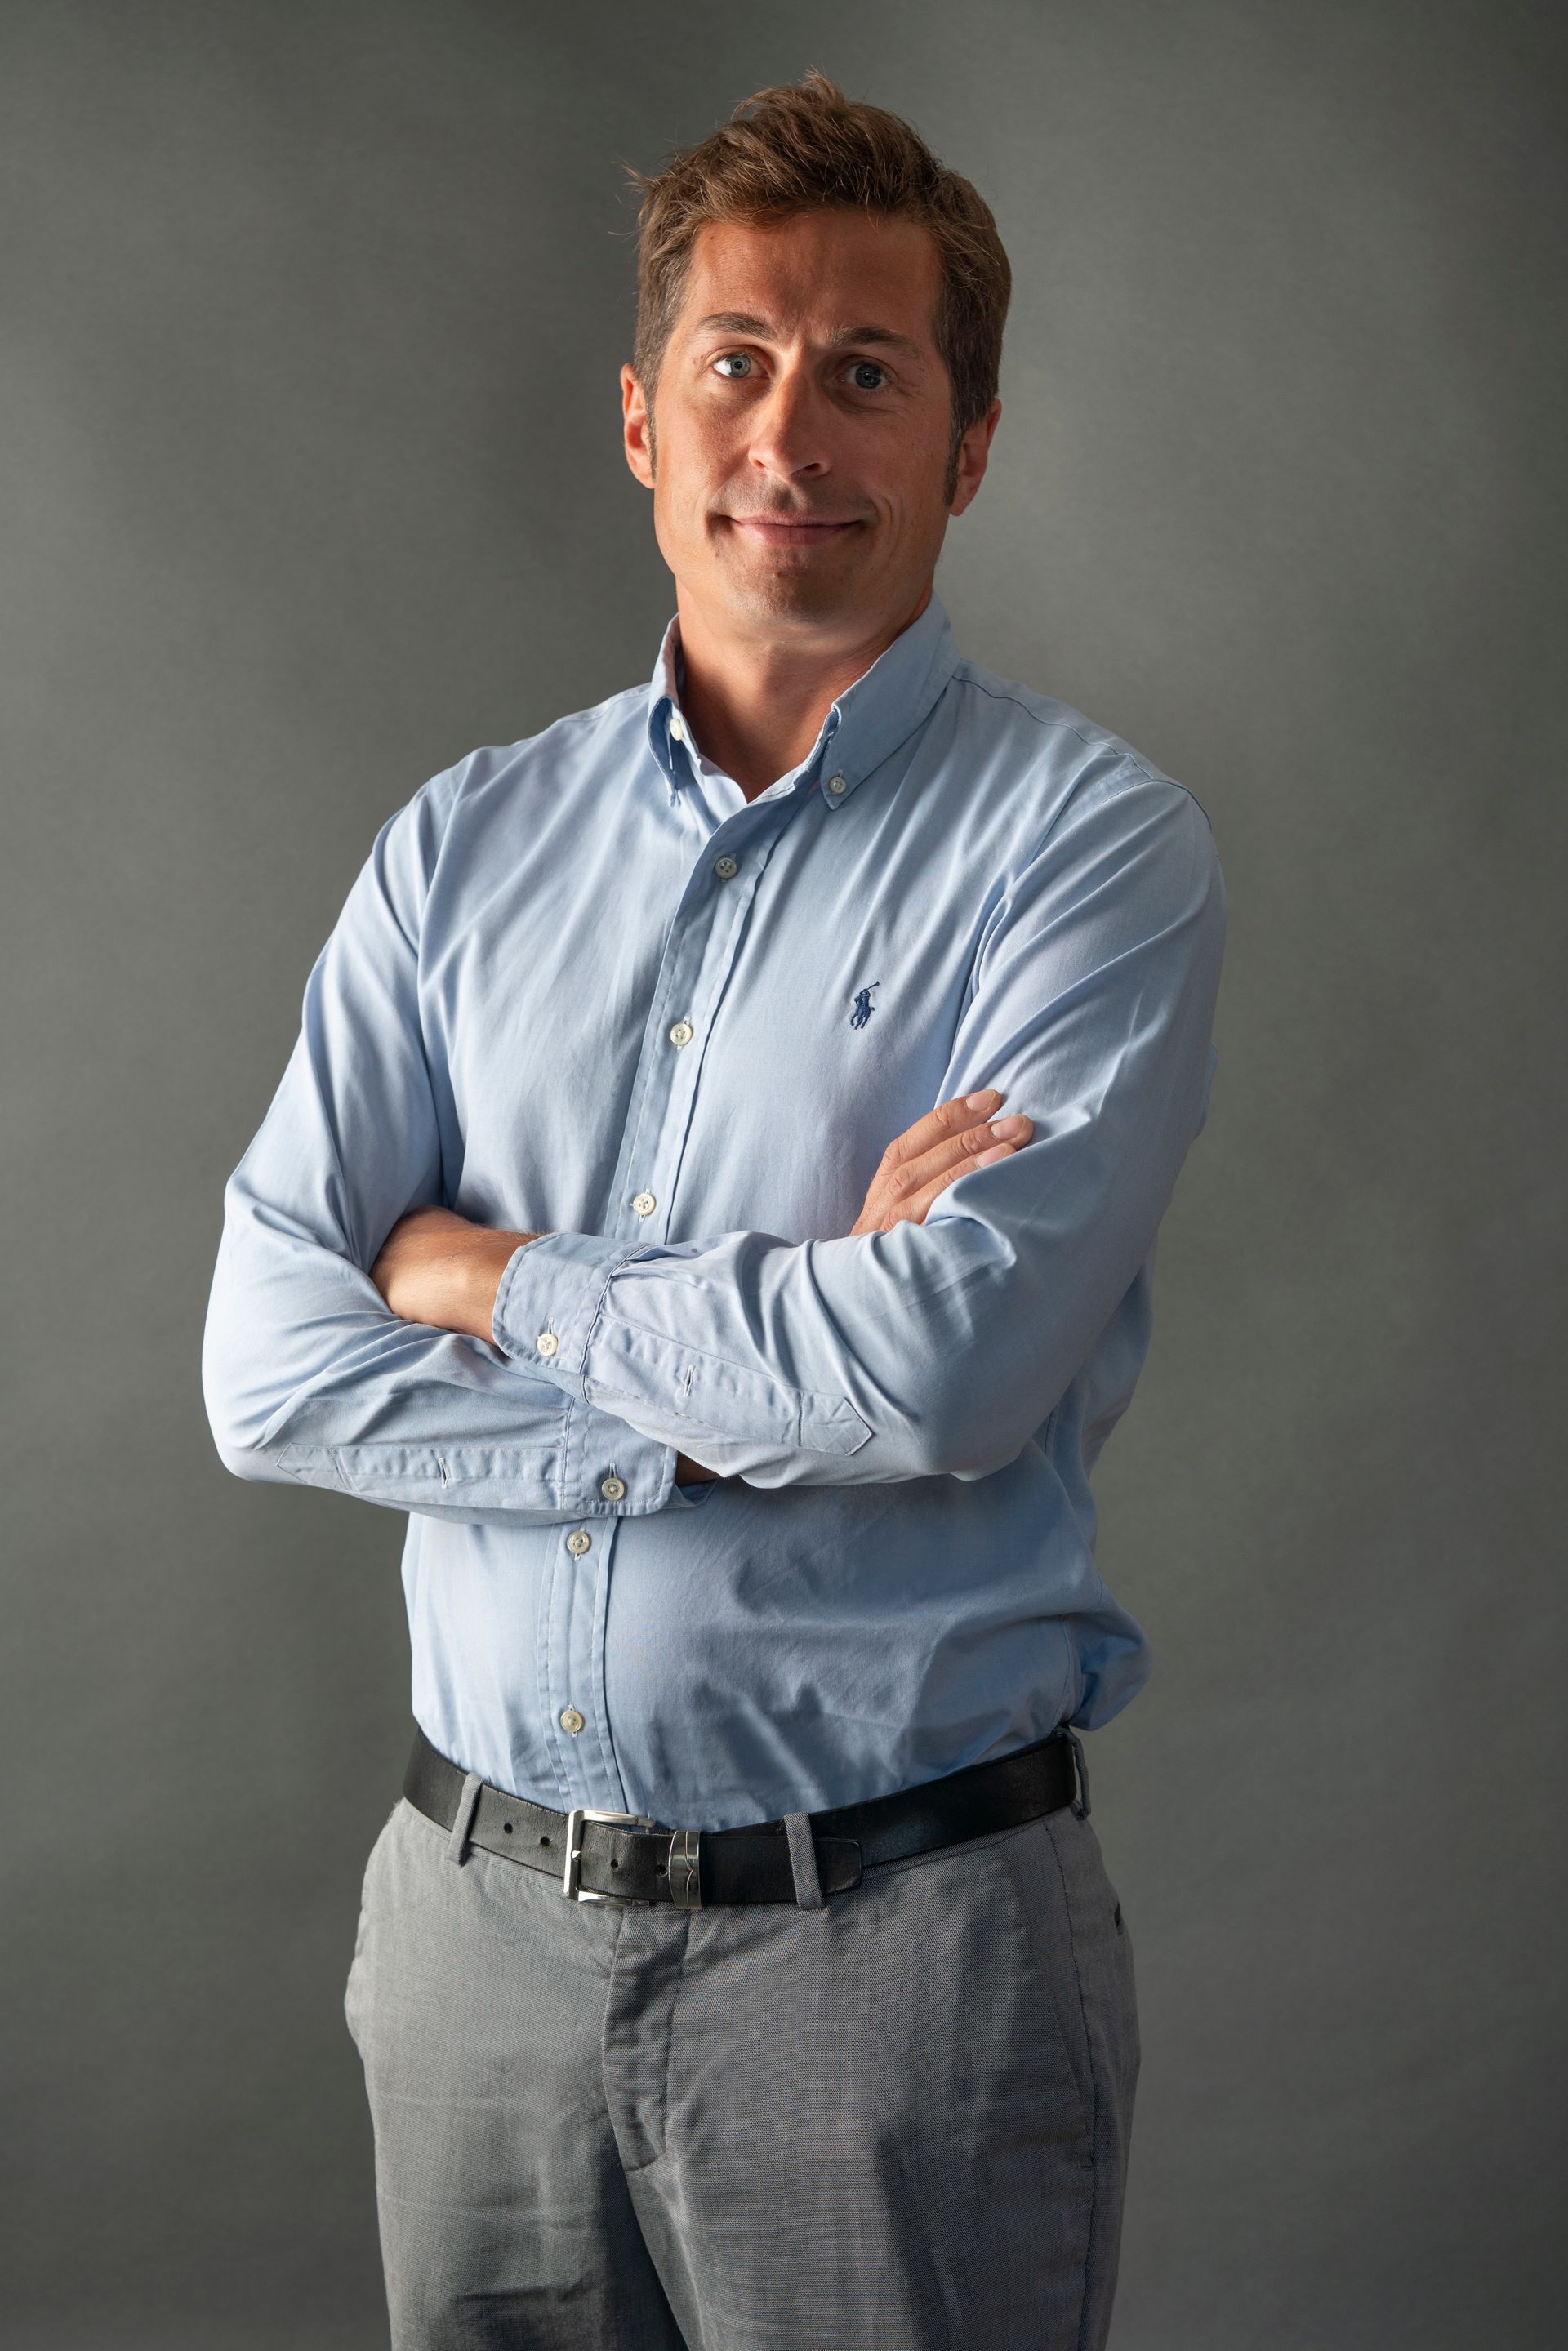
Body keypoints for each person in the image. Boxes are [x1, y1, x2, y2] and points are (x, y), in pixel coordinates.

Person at [202, 70, 1225, 2351]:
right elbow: (266, 1367)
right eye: (738, 364)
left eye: (871, 372)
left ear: (964, 448)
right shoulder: (460, 851)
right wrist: (779, 1369)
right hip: (471, 1948)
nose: (796, 429)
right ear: (645, 424)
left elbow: (947, 1368)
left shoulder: (1089, 854)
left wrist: (488, 1279)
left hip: (899, 1969)